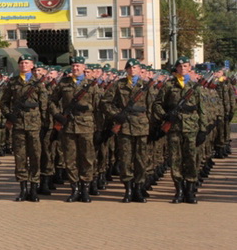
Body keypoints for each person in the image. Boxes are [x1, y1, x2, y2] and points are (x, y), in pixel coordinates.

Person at [152, 57, 206, 204]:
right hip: (174, 128)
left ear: (189, 68)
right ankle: (179, 190)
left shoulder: (195, 86)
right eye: (180, 66)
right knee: (175, 159)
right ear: (176, 68)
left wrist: (203, 129)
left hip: (191, 128)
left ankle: (190, 190)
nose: (183, 68)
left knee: (191, 159)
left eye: (185, 66)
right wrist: (165, 115)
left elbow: (202, 109)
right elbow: (157, 104)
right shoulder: (169, 85)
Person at [50, 57, 102, 203]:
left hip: (86, 126)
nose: (75, 68)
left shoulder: (91, 85)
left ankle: (85, 188)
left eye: (78, 66)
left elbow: (98, 108)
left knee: (87, 158)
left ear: (84, 67)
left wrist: (99, 128)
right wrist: (57, 115)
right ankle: (74, 189)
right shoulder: (64, 83)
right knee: (70, 159)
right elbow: (52, 101)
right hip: (68, 126)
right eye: (73, 66)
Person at [1, 56, 48, 202]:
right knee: (20, 157)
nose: (23, 65)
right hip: (19, 125)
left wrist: (46, 125)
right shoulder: (13, 82)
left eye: (26, 63)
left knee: (35, 156)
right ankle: (23, 190)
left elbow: (44, 105)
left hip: (34, 125)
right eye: (21, 63)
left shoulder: (38, 83)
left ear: (32, 65)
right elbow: (4, 102)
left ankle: (33, 189)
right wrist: (8, 115)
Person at [104, 59, 151, 203]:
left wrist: (152, 124)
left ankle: (138, 188)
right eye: (129, 67)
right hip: (124, 126)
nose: (132, 70)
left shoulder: (146, 85)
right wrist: (116, 115)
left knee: (141, 159)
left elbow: (152, 106)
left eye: (134, 67)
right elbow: (105, 102)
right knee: (125, 159)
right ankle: (128, 189)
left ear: (139, 69)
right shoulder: (119, 85)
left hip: (141, 126)